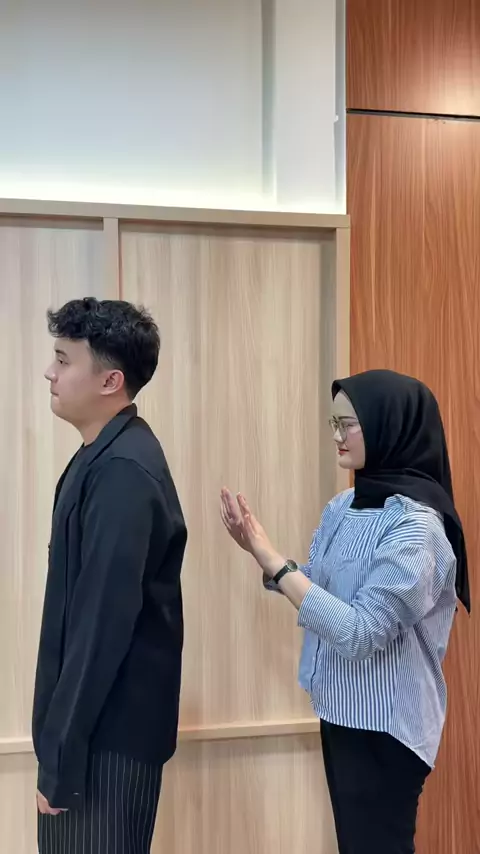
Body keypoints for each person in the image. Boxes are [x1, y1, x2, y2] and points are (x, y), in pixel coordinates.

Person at [220, 369, 470, 854]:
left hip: (387, 726)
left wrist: (274, 561)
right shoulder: (343, 506)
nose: (337, 435)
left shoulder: (417, 528)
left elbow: (361, 632)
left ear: (388, 426)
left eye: (348, 424)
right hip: (338, 707)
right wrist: (264, 556)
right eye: (333, 423)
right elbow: (318, 583)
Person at [33, 297, 187, 854]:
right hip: (92, 735)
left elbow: (101, 625)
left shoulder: (124, 470)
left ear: (110, 381)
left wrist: (61, 759)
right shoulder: (102, 454)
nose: (49, 372)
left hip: (106, 741)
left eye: (63, 360)